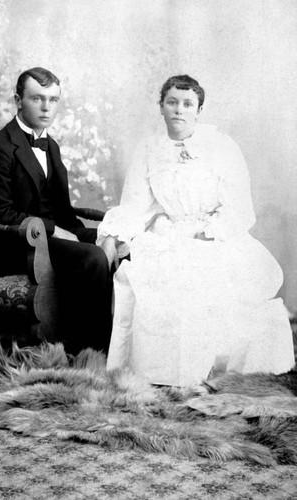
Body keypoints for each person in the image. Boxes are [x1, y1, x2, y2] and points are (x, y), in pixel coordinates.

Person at [97, 74, 295, 387]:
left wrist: (210, 231)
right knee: (157, 279)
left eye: (187, 104)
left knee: (213, 279)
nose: (179, 109)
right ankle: (167, 372)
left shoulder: (221, 146)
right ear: (160, 107)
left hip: (213, 233)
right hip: (170, 232)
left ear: (198, 110)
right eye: (172, 102)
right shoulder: (148, 150)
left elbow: (240, 206)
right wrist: (113, 235)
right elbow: (137, 205)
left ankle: (215, 367)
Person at [0, 67, 112, 354]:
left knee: (116, 244)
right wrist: (55, 230)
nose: (46, 107)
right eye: (37, 98)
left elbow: (62, 212)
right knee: (92, 256)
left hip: (48, 238)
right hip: (7, 245)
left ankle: (114, 346)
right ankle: (89, 351)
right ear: (18, 100)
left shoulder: (52, 146)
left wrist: (104, 234)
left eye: (53, 100)